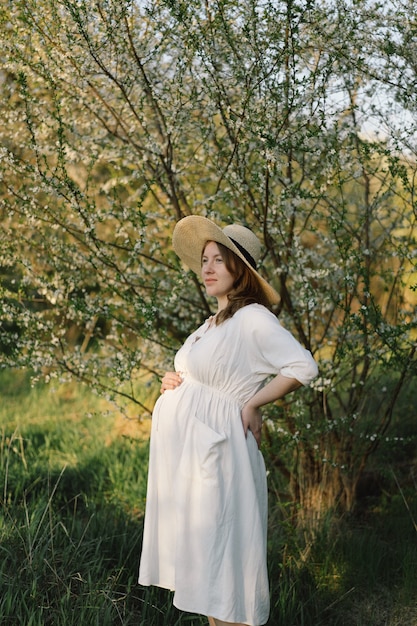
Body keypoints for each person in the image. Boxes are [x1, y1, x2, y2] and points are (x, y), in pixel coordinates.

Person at [138, 215, 318, 626]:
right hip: (193, 461)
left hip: (220, 459)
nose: (207, 268)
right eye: (204, 259)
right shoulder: (211, 325)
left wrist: (253, 404)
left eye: (219, 259)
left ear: (242, 270)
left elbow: (302, 366)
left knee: (223, 578)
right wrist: (175, 381)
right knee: (207, 577)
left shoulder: (253, 319)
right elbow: (198, 377)